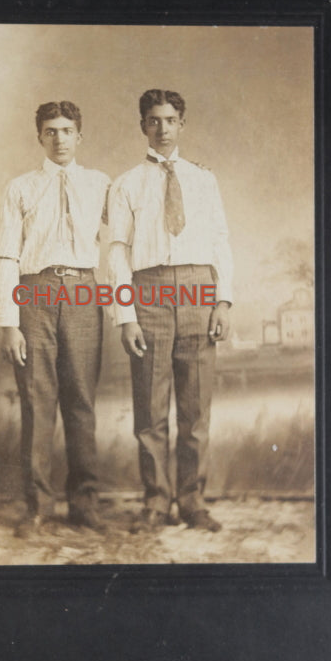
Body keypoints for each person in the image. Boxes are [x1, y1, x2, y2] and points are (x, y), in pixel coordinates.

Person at [107, 89, 233, 532]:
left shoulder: (204, 180)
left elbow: (220, 241)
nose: (162, 129)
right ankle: (156, 502)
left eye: (170, 120)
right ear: (142, 125)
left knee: (196, 409)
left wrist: (223, 299)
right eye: (154, 121)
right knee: (151, 409)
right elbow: (117, 253)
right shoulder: (125, 184)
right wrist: (125, 315)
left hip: (199, 287)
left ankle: (192, 501)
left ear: (182, 124)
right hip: (149, 291)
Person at [0, 100, 110, 535]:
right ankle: (38, 506)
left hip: (83, 291)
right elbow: (7, 254)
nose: (59, 138)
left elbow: (138, 224)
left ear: (80, 135)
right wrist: (8, 321)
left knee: (81, 401)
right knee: (37, 403)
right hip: (34, 294)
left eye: (67, 130)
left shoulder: (102, 184)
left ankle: (85, 505)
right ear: (39, 137)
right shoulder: (20, 188)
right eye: (50, 131)